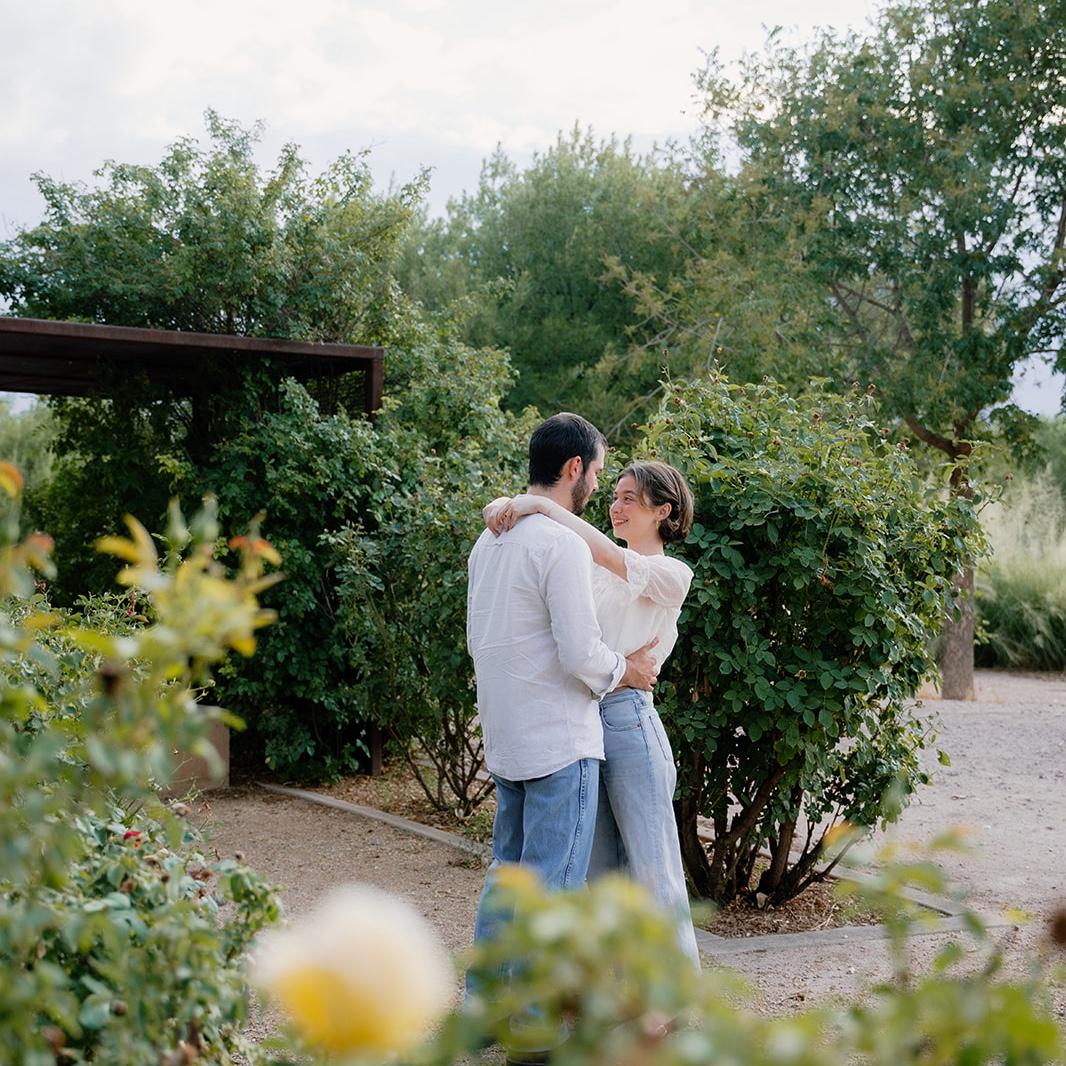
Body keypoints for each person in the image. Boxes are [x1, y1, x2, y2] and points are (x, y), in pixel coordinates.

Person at [466, 413, 661, 993]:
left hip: (505, 738)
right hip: (559, 742)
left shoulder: (487, 541)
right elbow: (580, 651)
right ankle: (535, 1025)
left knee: (506, 880)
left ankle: (483, 1012)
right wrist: (628, 670)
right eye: (597, 473)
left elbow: (480, 640)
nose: (598, 486)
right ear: (575, 467)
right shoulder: (562, 544)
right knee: (552, 892)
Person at [484, 459, 700, 967]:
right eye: (615, 495)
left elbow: (604, 552)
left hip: (629, 721)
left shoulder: (671, 574)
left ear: (663, 511)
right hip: (582, 722)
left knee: (654, 872)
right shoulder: (591, 565)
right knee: (602, 878)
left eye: (629, 499)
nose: (615, 507)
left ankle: (675, 995)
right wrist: (503, 507)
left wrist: (535, 504)